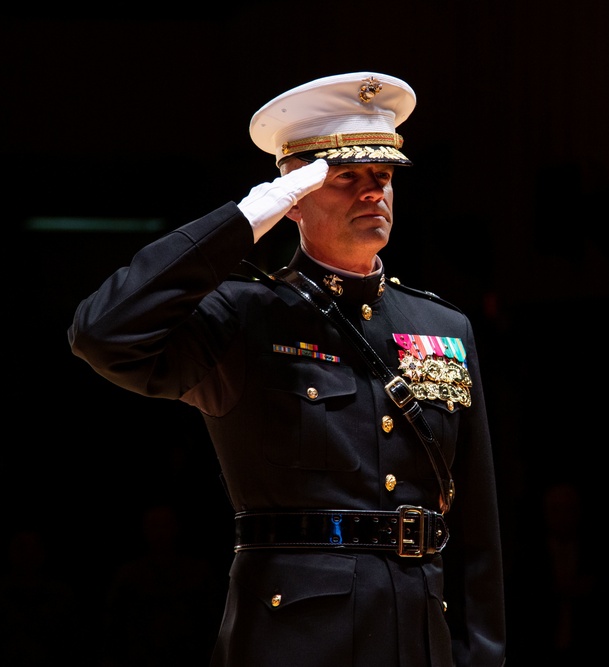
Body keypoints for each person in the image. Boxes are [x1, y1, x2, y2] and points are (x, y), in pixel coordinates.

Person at [68, 72, 506, 667]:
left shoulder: (442, 327)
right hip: (294, 636)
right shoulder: (246, 316)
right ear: (294, 198)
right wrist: (243, 221)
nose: (373, 192)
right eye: (346, 178)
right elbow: (102, 333)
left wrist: (480, 653)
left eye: (382, 177)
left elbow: (476, 520)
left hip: (417, 631)